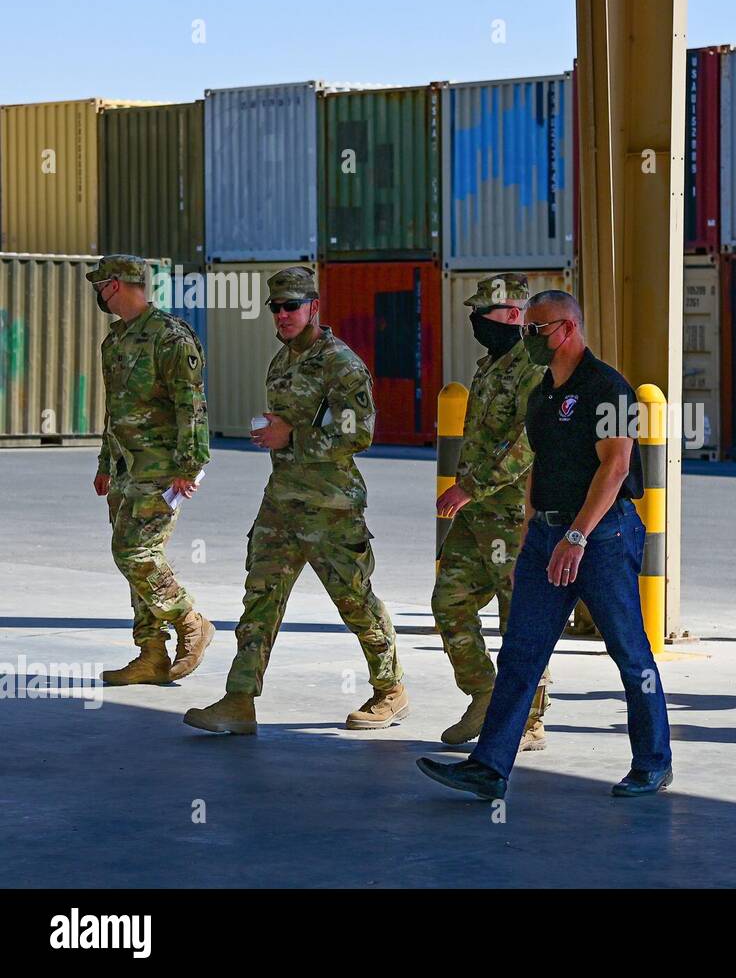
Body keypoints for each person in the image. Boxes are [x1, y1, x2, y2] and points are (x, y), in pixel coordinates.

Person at [417, 290, 672, 799]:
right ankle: (489, 767)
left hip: (601, 536)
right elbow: (537, 466)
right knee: (521, 652)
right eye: (525, 330)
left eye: (537, 330)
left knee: (629, 652)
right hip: (547, 538)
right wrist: (532, 534)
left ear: (569, 328)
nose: (527, 339)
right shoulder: (541, 393)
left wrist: (576, 535)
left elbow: (616, 467)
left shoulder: (611, 390)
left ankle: (653, 762)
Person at [183, 266, 406, 735]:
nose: (283, 316)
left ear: (314, 308)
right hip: (282, 502)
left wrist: (291, 435)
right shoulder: (281, 360)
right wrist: (274, 433)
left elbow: (359, 431)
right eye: (276, 308)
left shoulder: (341, 363)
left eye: (292, 307)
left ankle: (390, 691)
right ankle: (239, 700)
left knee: (355, 602)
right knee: (259, 600)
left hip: (332, 507)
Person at [432, 273, 552, 751]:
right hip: (477, 514)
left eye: (484, 316)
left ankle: (529, 721)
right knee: (449, 602)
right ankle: (485, 693)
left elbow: (527, 443)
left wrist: (469, 487)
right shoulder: (490, 365)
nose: (476, 324)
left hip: (515, 515)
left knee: (521, 617)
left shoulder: (534, 369)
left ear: (513, 316)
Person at [88, 255, 214, 686]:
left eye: (101, 283)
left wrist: (190, 465)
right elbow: (115, 411)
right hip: (126, 467)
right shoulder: (116, 341)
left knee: (133, 553)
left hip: (163, 468)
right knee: (134, 562)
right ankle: (151, 654)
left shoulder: (171, 338)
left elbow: (192, 407)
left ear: (119, 284)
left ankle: (192, 621)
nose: (98, 293)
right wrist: (106, 462)